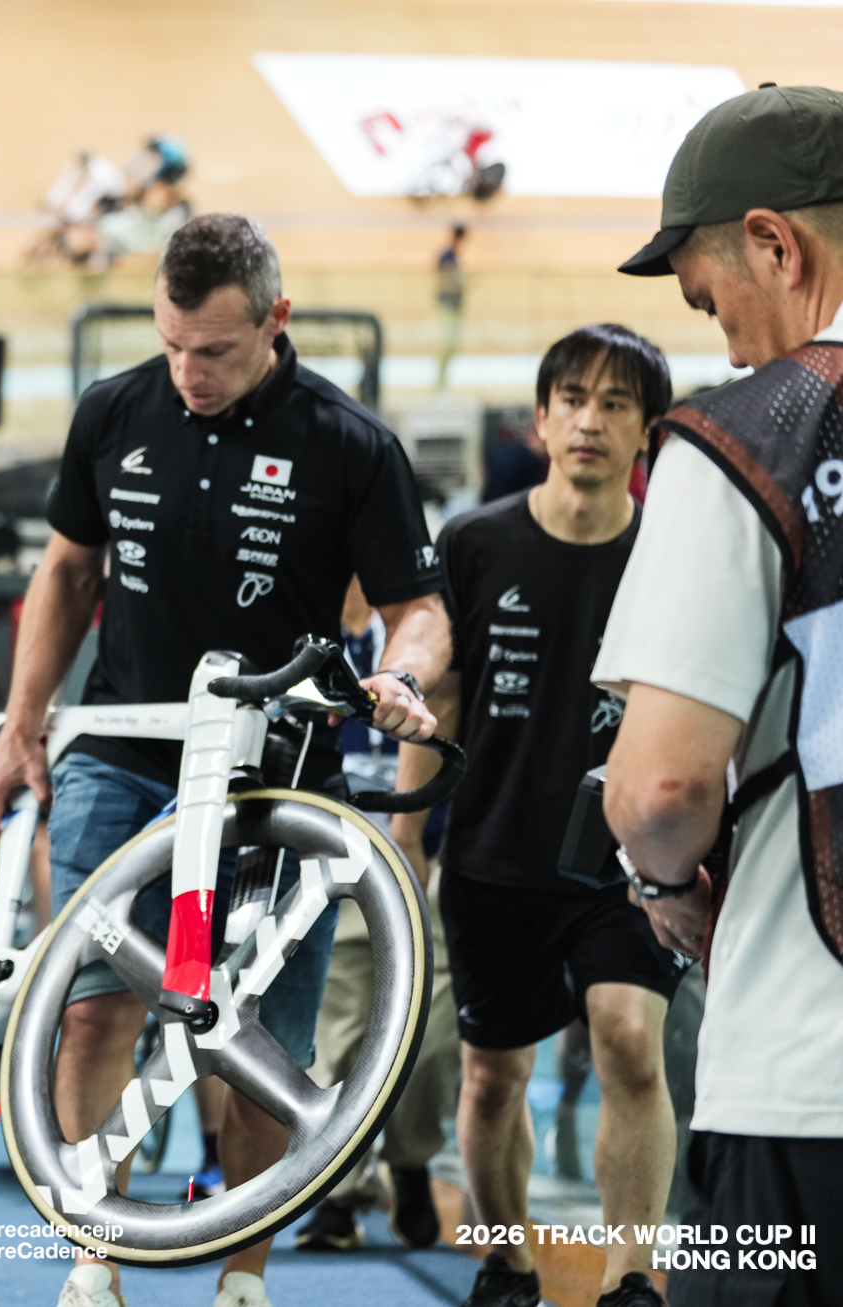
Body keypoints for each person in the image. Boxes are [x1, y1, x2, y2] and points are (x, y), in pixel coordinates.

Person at [0, 213, 448, 1307]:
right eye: (173, 344)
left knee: (259, 1045)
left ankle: (243, 1274)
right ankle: (95, 1252)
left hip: (281, 779)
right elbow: (67, 570)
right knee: (95, 1005)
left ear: (276, 320)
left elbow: (419, 608)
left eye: (217, 351)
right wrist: (20, 722)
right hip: (125, 753)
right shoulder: (114, 411)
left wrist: (404, 675)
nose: (189, 371)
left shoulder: (350, 443)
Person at [601, 83, 843, 1307]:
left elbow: (660, 785)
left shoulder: (751, 434)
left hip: (806, 1080)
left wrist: (663, 886)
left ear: (774, 244)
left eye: (711, 304)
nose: (731, 346)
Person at [404, 324, 683, 1307]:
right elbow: (442, 702)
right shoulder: (475, 543)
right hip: (494, 853)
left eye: (615, 404)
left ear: (646, 430)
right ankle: (506, 1260)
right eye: (572, 399)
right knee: (492, 1078)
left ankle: (631, 1277)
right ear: (540, 417)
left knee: (628, 1038)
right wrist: (407, 836)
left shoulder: (674, 554)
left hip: (627, 862)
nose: (589, 421)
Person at [293, 578, 458, 1255]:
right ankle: (339, 1191)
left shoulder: (429, 626)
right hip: (334, 852)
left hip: (429, 853)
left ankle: (411, 1157)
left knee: (435, 1036)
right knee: (339, 1036)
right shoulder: (305, 620)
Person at [436, 225, 467, 389]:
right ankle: (440, 382)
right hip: (448, 304)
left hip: (454, 304)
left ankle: (443, 381)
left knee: (452, 344)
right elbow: (447, 278)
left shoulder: (453, 254)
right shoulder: (447, 255)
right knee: (448, 342)